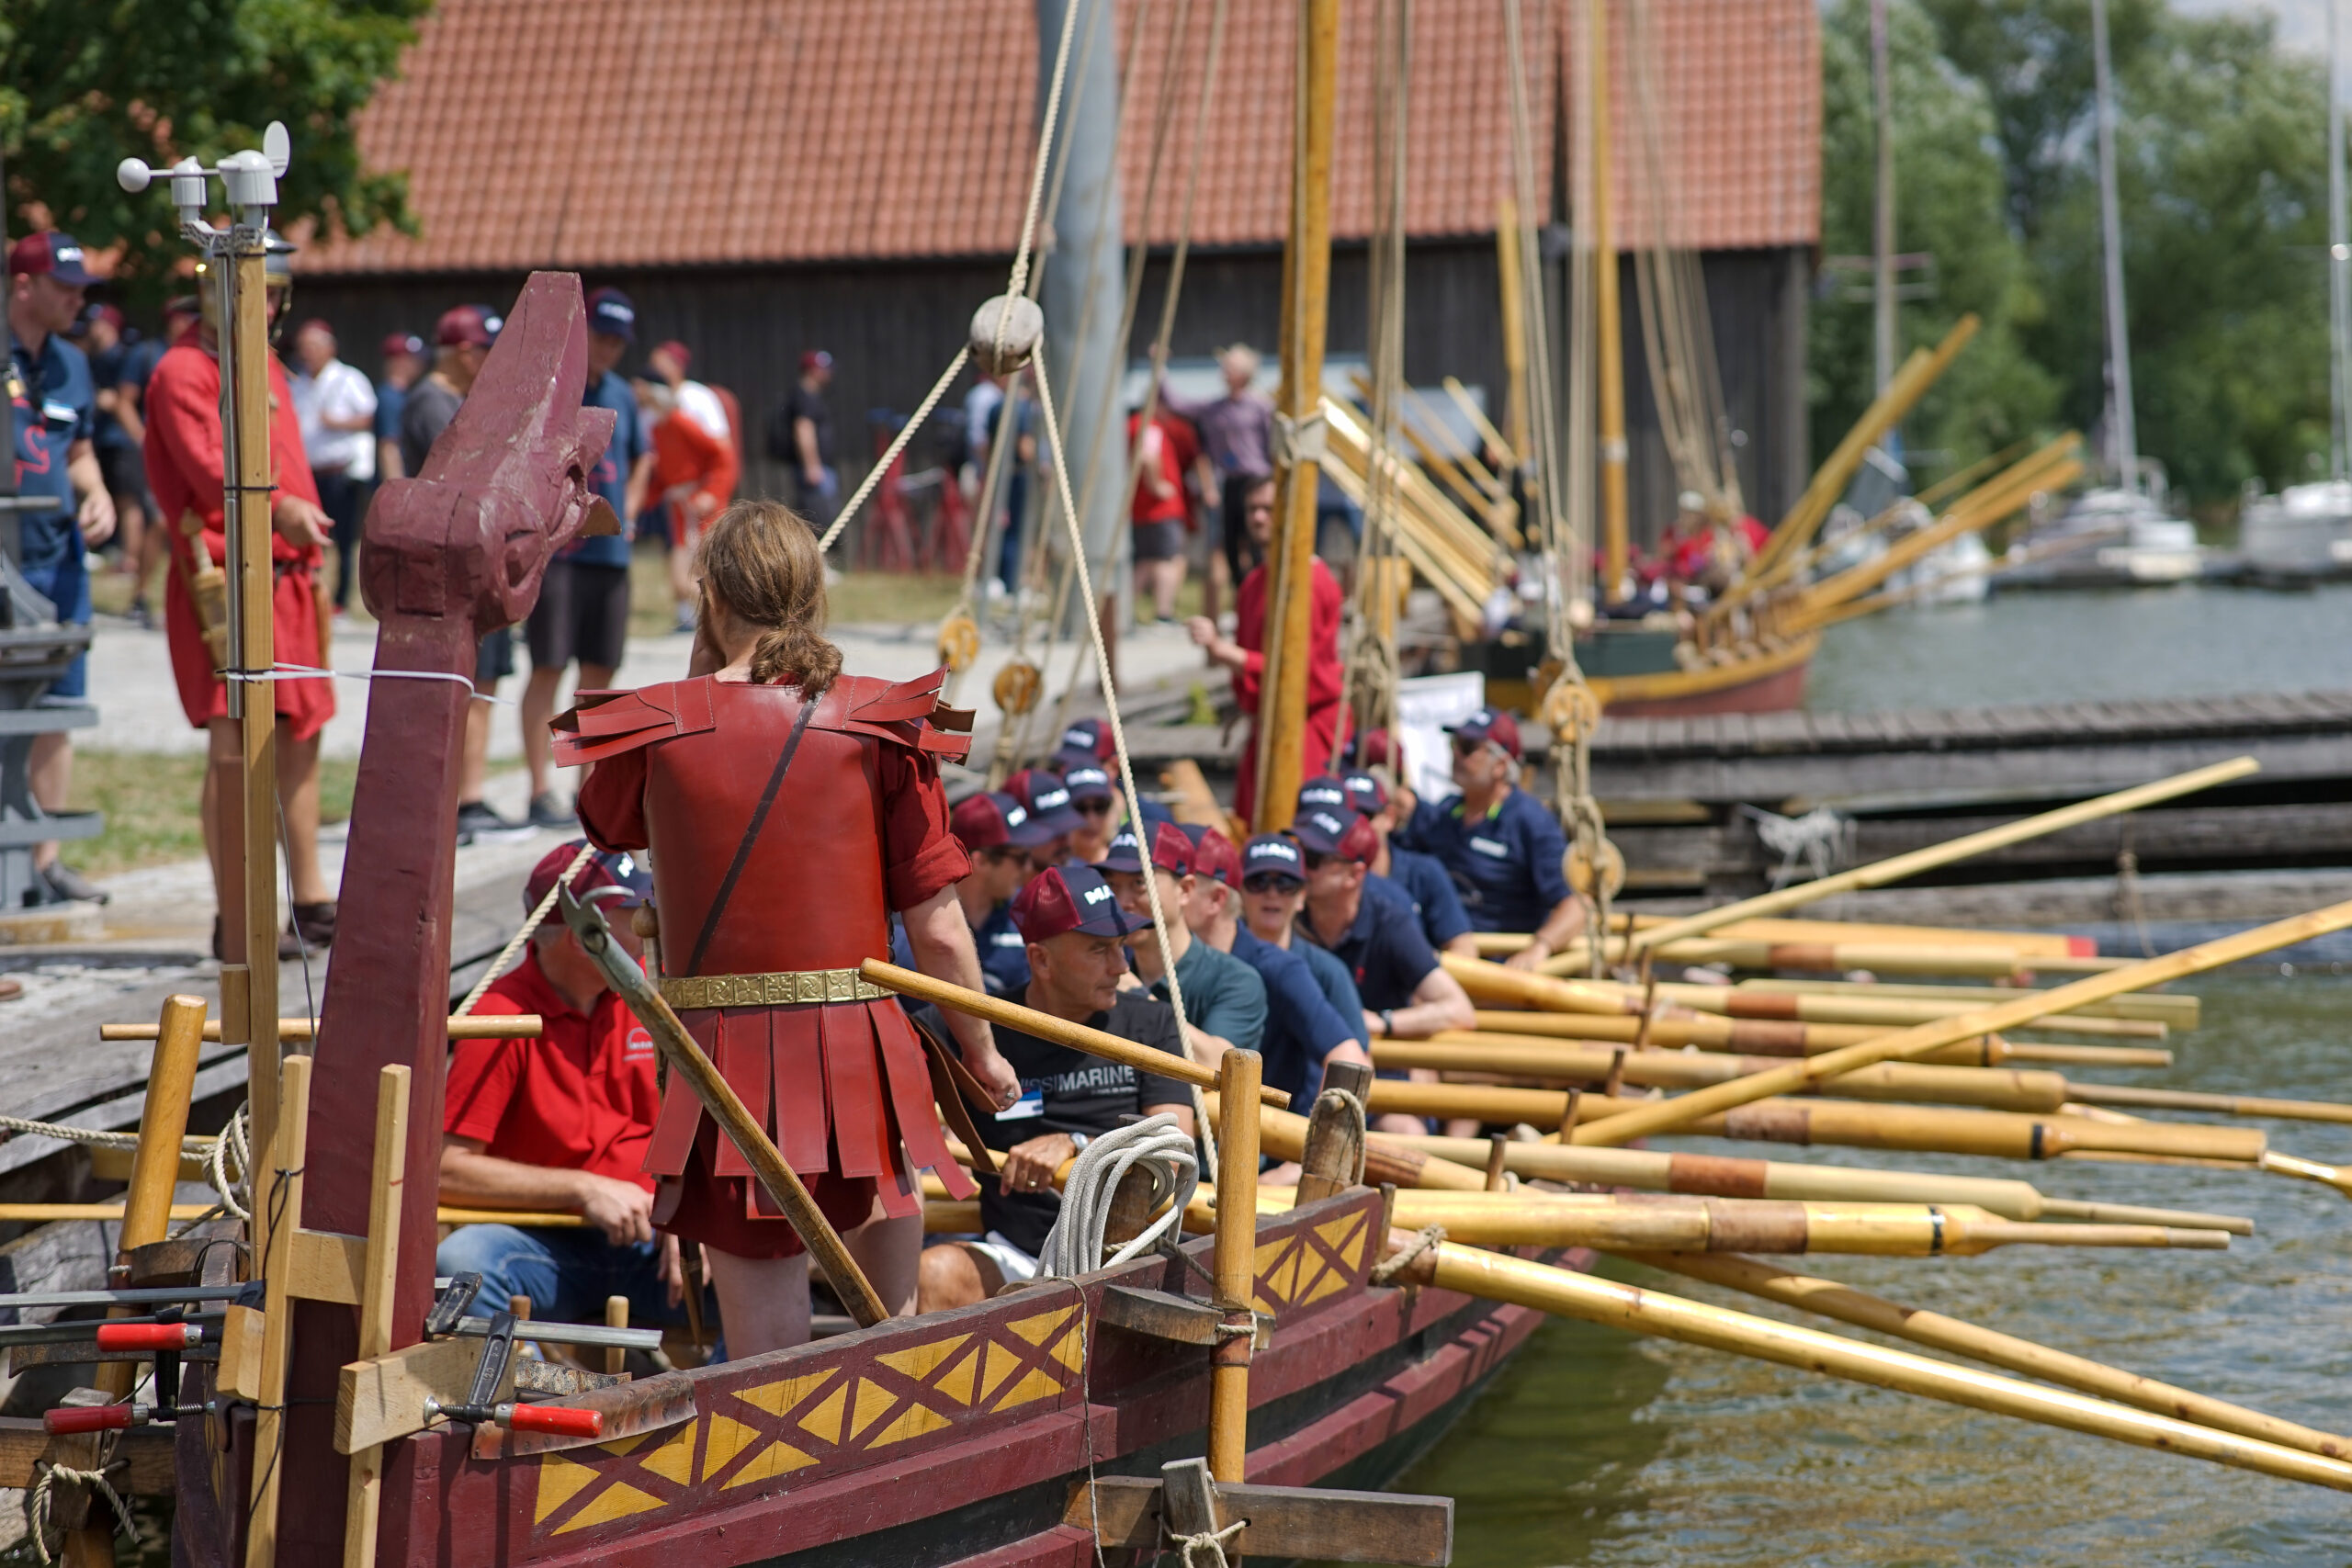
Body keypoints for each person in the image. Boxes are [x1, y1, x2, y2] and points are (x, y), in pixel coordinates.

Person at [562, 498, 1019, 1355]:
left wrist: (702, 669)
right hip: (865, 1059)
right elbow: (941, 926)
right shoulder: (882, 720)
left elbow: (611, 823)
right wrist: (982, 1052)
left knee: (765, 1362)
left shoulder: (650, 724)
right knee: (891, 1336)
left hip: (723, 1067)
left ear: (711, 595)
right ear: (812, 594)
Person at [142, 245, 336, 956]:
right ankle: (239, 916)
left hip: (288, 575)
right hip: (223, 582)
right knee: (233, 744)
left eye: (278, 290)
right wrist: (282, 509)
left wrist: (308, 540)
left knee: (301, 731)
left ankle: (310, 897)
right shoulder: (181, 371)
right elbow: (210, 472)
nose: (272, 305)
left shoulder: (266, 364)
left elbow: (292, 463)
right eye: (260, 288)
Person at [914, 863, 1194, 1311]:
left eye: (1122, 947)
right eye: (1100, 950)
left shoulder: (1151, 1023)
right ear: (1040, 960)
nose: (1122, 967)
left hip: (1129, 1254)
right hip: (1019, 1252)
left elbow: (1174, 1150)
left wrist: (1075, 1144)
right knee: (933, 1275)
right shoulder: (973, 1028)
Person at [436, 842, 695, 1326]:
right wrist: (584, 1188)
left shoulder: (653, 993)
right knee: (464, 1262)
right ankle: (534, 1395)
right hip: (548, 1250)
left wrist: (689, 1208)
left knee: (756, 1267)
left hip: (659, 1245)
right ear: (584, 936)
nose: (647, 924)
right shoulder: (501, 1017)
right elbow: (446, 1170)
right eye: (631, 911)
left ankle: (726, 1401)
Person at [7, 238, 117, 908]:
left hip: (61, 556)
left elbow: (76, 448)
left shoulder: (73, 362)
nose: (79, 299)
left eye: (83, 288)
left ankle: (44, 864)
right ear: (24, 285)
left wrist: (96, 489)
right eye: (65, 285)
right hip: (7, 557)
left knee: (57, 704)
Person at [520, 288, 652, 829]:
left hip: (610, 555)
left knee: (600, 674)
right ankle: (538, 788)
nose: (611, 349)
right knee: (548, 666)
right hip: (561, 553)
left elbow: (645, 456)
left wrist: (634, 510)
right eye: (602, 337)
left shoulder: (624, 393)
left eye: (619, 341)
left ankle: (588, 786)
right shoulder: (556, 390)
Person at [401, 303, 529, 844]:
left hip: (476, 559)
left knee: (485, 683)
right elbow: (463, 475)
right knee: (459, 689)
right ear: (460, 351)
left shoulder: (458, 400)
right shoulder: (432, 403)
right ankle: (452, 800)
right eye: (483, 351)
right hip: (450, 563)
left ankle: (470, 796)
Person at [1186, 475, 1346, 821]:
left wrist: (1226, 652)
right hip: (1266, 728)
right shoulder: (1254, 585)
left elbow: (1304, 671)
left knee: (1301, 828)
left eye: (1269, 509)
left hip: (1307, 731)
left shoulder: (1314, 582)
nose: (1258, 518)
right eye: (1252, 509)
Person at [1175, 825, 1367, 1106]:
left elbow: (1353, 1060)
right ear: (1241, 890)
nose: (1272, 893)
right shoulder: (1166, 957)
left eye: (1286, 884)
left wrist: (1318, 1144)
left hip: (1275, 1135)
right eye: (1258, 882)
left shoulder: (1295, 970)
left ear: (1302, 896)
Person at [1398, 707, 1586, 969]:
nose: (1455, 754)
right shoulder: (1445, 812)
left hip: (1498, 971)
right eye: (1454, 744)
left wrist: (1539, 949)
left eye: (1467, 747)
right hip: (1441, 963)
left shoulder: (1530, 822)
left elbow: (1575, 905)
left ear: (1500, 765)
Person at [1292, 806, 1476, 1043]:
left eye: (1312, 859)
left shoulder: (1389, 923)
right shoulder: (1286, 912)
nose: (1299, 867)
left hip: (1379, 1071)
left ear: (1354, 875)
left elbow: (1459, 1010)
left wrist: (1383, 1022)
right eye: (1298, 853)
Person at [1096, 821, 1265, 1067]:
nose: (1122, 902)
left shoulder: (1236, 980)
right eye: (1112, 885)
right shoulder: (1102, 974)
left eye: (1139, 883)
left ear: (1185, 890)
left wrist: (1139, 998)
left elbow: (1218, 1067)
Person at [1158, 344, 1273, 615]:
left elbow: (1272, 447)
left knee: (1259, 542)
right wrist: (1160, 370)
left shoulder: (1261, 407)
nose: (1223, 372)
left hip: (1257, 480)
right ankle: (1244, 594)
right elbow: (1177, 404)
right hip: (1232, 483)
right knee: (1231, 545)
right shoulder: (1215, 408)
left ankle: (1264, 595)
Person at [1305, 773, 1476, 956]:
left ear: (1389, 817)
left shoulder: (1425, 873)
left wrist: (1420, 966)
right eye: (1347, 816)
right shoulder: (1311, 880)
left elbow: (1464, 950)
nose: (1355, 825)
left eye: (1366, 815)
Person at [287, 320, 377, 613]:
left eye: (312, 347)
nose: (307, 354)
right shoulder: (298, 382)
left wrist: (337, 423)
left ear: (329, 348)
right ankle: (313, 591)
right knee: (310, 535)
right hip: (308, 472)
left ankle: (340, 600)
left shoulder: (348, 379)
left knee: (343, 537)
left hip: (339, 471)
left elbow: (368, 417)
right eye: (303, 348)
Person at [642, 368, 738, 635]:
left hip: (701, 501)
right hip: (678, 504)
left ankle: (718, 616)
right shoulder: (656, 429)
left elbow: (721, 457)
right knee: (679, 557)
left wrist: (712, 492)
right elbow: (663, 474)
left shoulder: (681, 422)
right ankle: (686, 614)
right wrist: (645, 502)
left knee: (707, 558)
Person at [946, 789, 1057, 996]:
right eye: (1020, 857)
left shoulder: (1028, 921)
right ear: (981, 862)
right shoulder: (922, 925)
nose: (1028, 868)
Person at [1127, 401, 1190, 625]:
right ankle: (1164, 613)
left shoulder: (1131, 425)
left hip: (1141, 508)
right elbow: (1148, 456)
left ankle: (1124, 615)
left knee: (1144, 562)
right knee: (1167, 559)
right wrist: (1157, 485)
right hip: (1159, 509)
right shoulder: (1148, 426)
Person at [769, 348, 839, 529]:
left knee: (821, 512)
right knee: (818, 515)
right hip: (816, 468)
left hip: (819, 466)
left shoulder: (809, 396)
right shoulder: (804, 396)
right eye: (825, 369)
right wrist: (812, 466)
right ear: (813, 370)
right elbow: (803, 429)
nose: (829, 373)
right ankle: (819, 554)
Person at [646, 339, 730, 443]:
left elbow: (721, 441)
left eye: (658, 365)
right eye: (652, 365)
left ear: (677, 366)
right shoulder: (648, 400)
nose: (652, 370)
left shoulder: (700, 396)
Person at [1002, 767, 1086, 867]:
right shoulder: (1000, 882)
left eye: (1067, 828)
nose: (1064, 841)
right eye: (1054, 833)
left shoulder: (1088, 875)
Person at [372, 331, 424, 482]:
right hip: (398, 485)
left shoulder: (403, 394)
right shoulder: (389, 397)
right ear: (400, 361)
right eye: (415, 360)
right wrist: (396, 490)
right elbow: (389, 447)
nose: (420, 365)